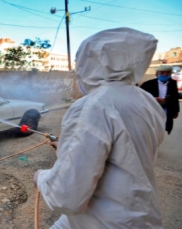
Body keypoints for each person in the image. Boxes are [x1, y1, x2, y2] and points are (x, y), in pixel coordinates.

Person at [34, 28, 166, 229]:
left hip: (104, 221)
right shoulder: (146, 100)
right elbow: (123, 154)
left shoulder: (93, 105)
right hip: (141, 215)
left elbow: (67, 195)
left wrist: (41, 177)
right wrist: (65, 147)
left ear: (92, 63)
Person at [140, 65, 180, 134]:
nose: (165, 75)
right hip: (153, 110)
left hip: (166, 110)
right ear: (157, 74)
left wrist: (176, 111)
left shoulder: (173, 83)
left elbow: (175, 97)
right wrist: (153, 98)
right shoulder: (148, 84)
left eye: (167, 73)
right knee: (153, 128)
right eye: (162, 73)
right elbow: (139, 96)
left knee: (164, 127)